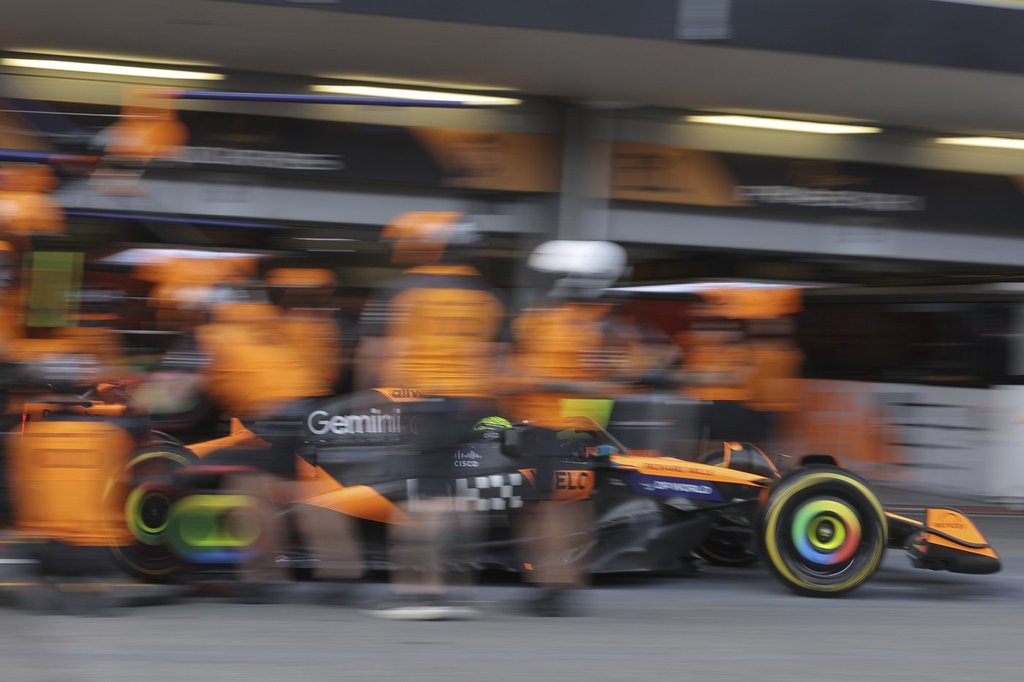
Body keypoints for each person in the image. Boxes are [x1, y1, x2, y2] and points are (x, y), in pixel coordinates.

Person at [357, 212, 505, 620]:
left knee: (420, 498)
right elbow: (497, 357)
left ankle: (419, 592)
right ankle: (460, 588)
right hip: (472, 404)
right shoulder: (486, 295)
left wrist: (373, 398)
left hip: (420, 402)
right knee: (461, 499)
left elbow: (375, 354)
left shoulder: (401, 291)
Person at [502, 239, 643, 616]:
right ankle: (552, 581)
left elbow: (612, 379)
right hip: (538, 426)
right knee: (542, 507)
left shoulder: (595, 326)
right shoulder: (549, 319)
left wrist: (552, 384)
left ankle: (557, 584)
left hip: (561, 429)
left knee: (555, 507)